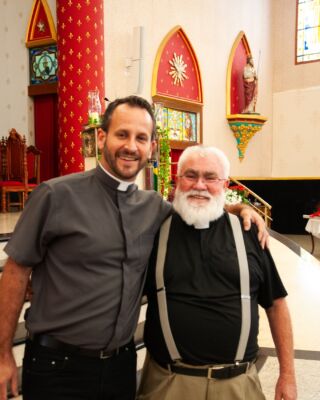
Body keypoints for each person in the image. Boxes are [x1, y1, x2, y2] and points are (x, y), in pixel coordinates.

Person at [0, 96, 267, 400]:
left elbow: (196, 202)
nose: (131, 146)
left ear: (152, 147)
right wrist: (2, 354)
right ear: (101, 137)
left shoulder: (153, 207)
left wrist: (236, 208)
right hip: (58, 365)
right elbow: (15, 270)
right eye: (122, 134)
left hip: (120, 366)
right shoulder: (55, 196)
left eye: (141, 138)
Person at [138, 145, 297, 400]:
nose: (200, 185)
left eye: (210, 177)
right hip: (168, 384)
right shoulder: (154, 233)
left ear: (224, 185)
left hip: (237, 385)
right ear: (177, 182)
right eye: (190, 175)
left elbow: (276, 304)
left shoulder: (249, 234)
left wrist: (287, 375)